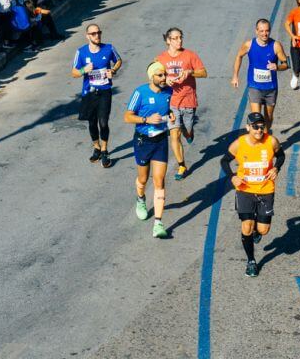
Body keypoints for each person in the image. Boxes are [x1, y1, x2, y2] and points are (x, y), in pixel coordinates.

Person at [220, 111, 285, 277]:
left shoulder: (271, 141)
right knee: (247, 226)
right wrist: (232, 176)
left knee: (263, 230)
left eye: (262, 127)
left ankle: (257, 231)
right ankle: (251, 261)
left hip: (265, 190)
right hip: (245, 190)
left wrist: (276, 168)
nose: (259, 130)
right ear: (248, 127)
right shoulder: (239, 144)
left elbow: (281, 155)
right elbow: (224, 160)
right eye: (255, 127)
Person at [123, 62, 174, 239]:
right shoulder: (140, 92)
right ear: (151, 76)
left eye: (165, 75)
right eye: (160, 75)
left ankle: (158, 224)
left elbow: (168, 109)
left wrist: (171, 115)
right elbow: (127, 117)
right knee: (143, 179)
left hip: (160, 141)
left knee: (159, 181)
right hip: (143, 141)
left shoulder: (168, 91)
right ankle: (141, 199)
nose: (164, 78)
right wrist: (146, 120)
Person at [156, 27, 207, 181]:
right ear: (168, 41)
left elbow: (204, 72)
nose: (179, 40)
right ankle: (182, 165)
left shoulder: (189, 55)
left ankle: (189, 133)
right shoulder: (160, 59)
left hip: (188, 101)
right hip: (171, 102)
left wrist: (190, 72)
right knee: (174, 134)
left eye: (180, 37)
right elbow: (154, 77)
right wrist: (164, 80)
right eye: (175, 38)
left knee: (187, 131)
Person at [71, 23, 122, 168]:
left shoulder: (109, 48)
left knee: (103, 122)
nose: (97, 35)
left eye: (98, 32)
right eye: (93, 33)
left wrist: (113, 70)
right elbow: (73, 72)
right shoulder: (81, 52)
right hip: (89, 92)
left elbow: (118, 61)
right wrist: (83, 70)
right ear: (87, 36)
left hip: (105, 90)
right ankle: (97, 147)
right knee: (92, 122)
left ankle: (105, 150)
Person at [231, 19, 290, 132]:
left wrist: (277, 67)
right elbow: (239, 56)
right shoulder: (249, 44)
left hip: (270, 88)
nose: (264, 34)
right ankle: (258, 141)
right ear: (256, 31)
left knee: (268, 118)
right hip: (255, 87)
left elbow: (286, 64)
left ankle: (266, 138)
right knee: (256, 118)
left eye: (267, 31)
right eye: (261, 31)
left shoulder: (276, 45)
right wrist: (235, 76)